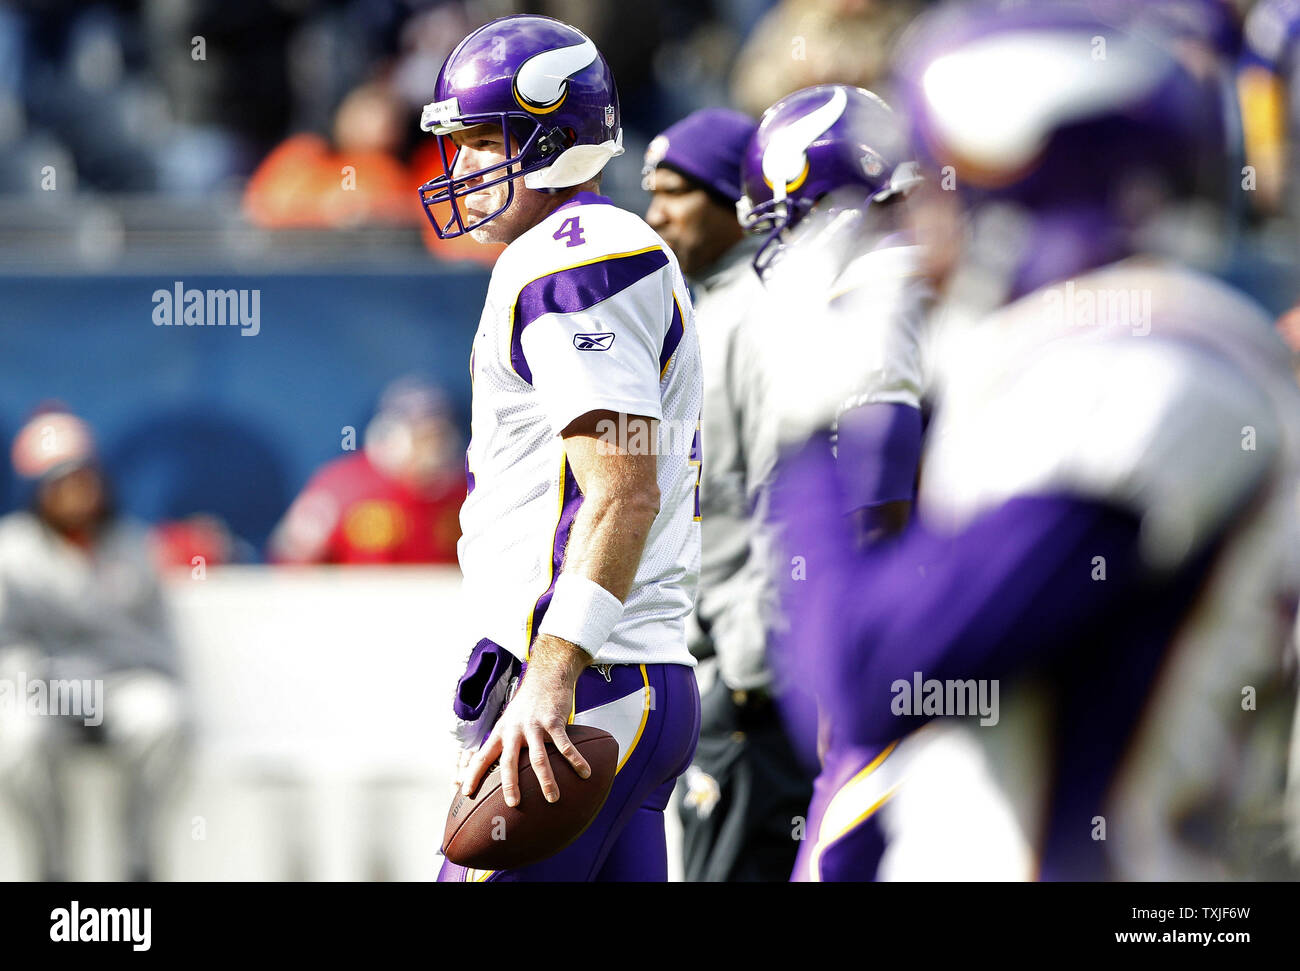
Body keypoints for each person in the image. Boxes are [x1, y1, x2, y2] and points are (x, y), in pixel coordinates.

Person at [767, 1, 1300, 880]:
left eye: (937, 178)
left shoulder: (1153, 361)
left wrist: (816, 429)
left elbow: (867, 672)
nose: (917, 216)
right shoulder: (1080, 348)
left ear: (1013, 188)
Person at [416, 14, 704, 882]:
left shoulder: (576, 256)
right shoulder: (585, 253)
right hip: (623, 677)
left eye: (480, 141)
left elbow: (623, 490)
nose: (463, 166)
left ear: (551, 139)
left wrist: (553, 670)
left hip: (587, 686)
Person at [735, 83, 931, 881]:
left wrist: (847, 664)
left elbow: (877, 506)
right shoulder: (930, 284)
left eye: (785, 217)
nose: (780, 244)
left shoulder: (874, 302)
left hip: (911, 647)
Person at [643, 107, 813, 882]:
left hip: (758, 679)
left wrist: (754, 667)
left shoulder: (764, 313)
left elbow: (792, 495)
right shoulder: (714, 305)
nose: (655, 213)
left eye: (676, 191)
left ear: (735, 196)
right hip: (727, 665)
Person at [0, 407, 189, 881]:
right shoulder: (12, 553)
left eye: (83, 478)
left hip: (120, 685)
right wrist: (48, 679)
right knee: (17, 740)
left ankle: (138, 863)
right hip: (43, 689)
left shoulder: (133, 546)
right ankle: (52, 869)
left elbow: (158, 645)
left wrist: (114, 678)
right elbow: (7, 647)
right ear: (36, 490)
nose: (75, 492)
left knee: (162, 716)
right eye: (59, 481)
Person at [268, 377, 464, 565]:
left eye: (439, 437)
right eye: (421, 438)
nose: (432, 450)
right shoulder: (341, 487)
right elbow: (292, 560)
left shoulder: (466, 491)